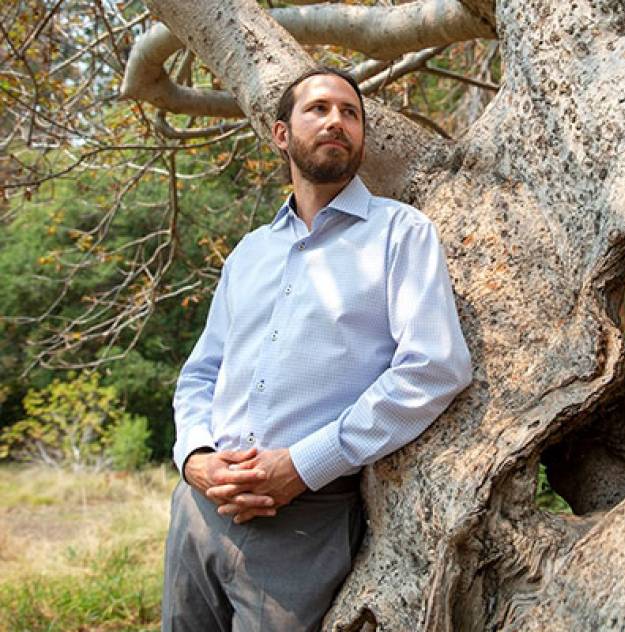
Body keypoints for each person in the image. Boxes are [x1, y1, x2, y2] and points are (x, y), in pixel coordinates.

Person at [161, 66, 472, 632]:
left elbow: (434, 367)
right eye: (319, 109)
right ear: (281, 135)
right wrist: (195, 459)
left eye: (350, 113)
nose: (337, 121)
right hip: (200, 511)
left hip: (305, 521)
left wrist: (304, 466)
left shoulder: (401, 233)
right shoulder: (249, 254)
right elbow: (200, 375)